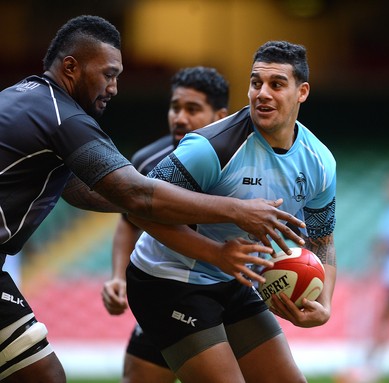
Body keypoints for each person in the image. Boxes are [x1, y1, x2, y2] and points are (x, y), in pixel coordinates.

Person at [0, 16, 306, 383]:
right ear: (71, 67)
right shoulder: (64, 117)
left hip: (214, 289)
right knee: (43, 376)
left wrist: (162, 203)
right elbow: (136, 193)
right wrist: (236, 210)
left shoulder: (21, 96)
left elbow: (82, 190)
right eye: (108, 74)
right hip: (167, 284)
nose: (114, 88)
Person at [125, 40, 337, 383]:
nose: (262, 93)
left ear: (302, 92)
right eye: (256, 83)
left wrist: (323, 304)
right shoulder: (211, 147)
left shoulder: (321, 162)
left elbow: (322, 238)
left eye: (277, 84)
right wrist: (218, 253)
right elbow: (138, 208)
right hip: (167, 279)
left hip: (233, 280)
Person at [102, 66, 230, 383]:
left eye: (192, 109)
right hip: (165, 292)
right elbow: (128, 222)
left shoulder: (237, 163)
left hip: (225, 295)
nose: (180, 118)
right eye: (175, 107)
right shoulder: (148, 161)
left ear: (220, 115)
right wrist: (118, 277)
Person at [366, 171, 389, 382]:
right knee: (385, 320)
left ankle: (371, 364)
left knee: (385, 321)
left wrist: (376, 254)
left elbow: (387, 242)